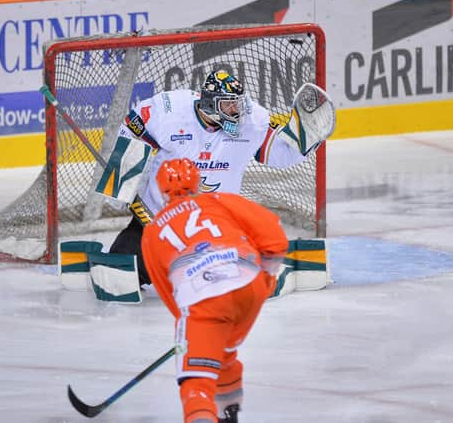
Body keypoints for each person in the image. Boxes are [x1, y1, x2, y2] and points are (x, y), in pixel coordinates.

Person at [110, 69, 310, 286]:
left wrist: (306, 139)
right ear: (210, 103)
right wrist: (121, 185)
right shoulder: (169, 112)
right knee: (119, 272)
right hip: (158, 221)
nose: (237, 111)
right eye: (228, 104)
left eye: (238, 103)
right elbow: (132, 130)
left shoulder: (251, 122)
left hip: (216, 228)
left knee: (234, 281)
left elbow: (280, 153)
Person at [141, 158, 289, 423]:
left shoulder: (152, 231)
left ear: (160, 192)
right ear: (197, 183)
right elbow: (274, 238)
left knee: (196, 384)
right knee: (224, 355)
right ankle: (228, 416)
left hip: (203, 297)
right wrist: (265, 277)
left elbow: (168, 291)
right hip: (248, 284)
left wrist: (191, 330)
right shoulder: (218, 200)